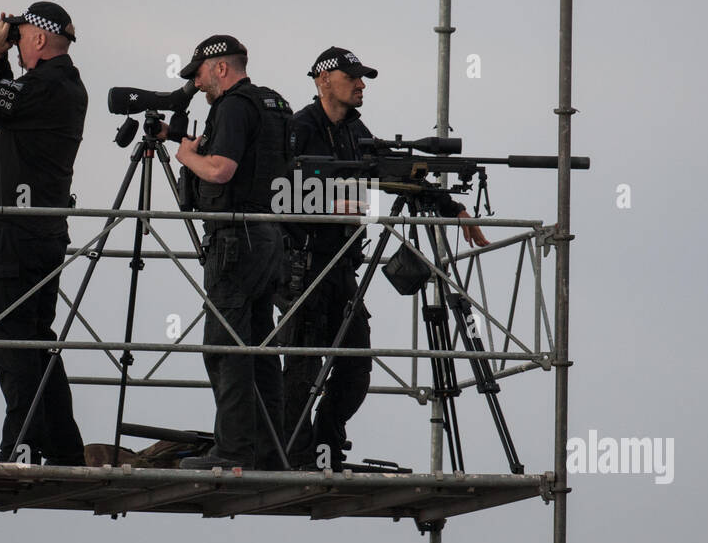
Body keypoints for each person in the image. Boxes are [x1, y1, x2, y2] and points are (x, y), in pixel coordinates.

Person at [280, 46, 488, 471]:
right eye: (352, 77)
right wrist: (326, 204)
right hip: (301, 267)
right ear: (323, 81)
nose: (361, 85)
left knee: (355, 367)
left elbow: (395, 172)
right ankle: (294, 455)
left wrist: (454, 208)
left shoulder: (356, 132)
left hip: (341, 267)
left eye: (362, 78)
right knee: (302, 368)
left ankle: (325, 448)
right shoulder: (298, 128)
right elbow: (278, 192)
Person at [0, 2, 87, 466]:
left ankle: (23, 445)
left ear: (36, 40)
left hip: (15, 232)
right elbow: (5, 97)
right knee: (35, 340)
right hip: (43, 231)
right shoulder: (61, 85)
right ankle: (63, 446)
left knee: (14, 342)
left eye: (22, 31)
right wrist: (5, 60)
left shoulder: (45, 88)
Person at [174, 35, 291, 471]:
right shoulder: (271, 104)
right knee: (259, 346)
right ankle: (268, 453)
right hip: (269, 236)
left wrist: (186, 155)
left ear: (220, 67)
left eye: (200, 74)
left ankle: (234, 452)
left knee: (225, 348)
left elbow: (221, 170)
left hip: (235, 240)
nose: (198, 84)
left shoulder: (233, 105)